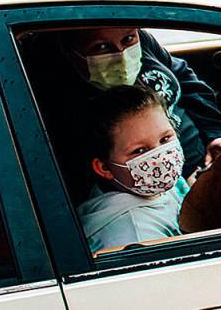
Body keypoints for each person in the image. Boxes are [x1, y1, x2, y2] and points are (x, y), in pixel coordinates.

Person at [24, 27, 221, 201]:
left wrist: (215, 135)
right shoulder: (57, 96)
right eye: (101, 47)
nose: (121, 53)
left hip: (204, 163)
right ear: (70, 51)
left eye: (128, 39)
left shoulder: (146, 46)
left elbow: (186, 80)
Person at [77, 84, 189, 253]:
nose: (161, 158)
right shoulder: (134, 236)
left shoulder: (155, 185)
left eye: (165, 139)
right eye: (140, 151)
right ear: (104, 167)